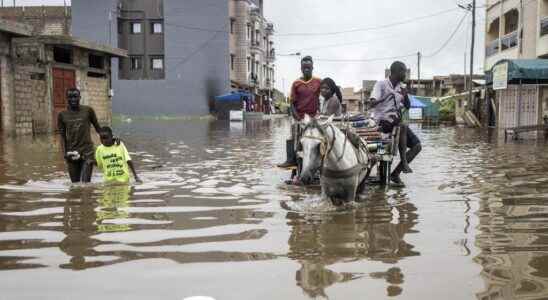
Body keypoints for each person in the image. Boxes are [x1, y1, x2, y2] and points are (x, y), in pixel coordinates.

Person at [369, 61, 421, 186]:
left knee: (417, 146)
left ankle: (395, 174)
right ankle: (403, 162)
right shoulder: (381, 84)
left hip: (395, 122)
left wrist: (405, 94)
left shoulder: (401, 87)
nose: (405, 73)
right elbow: (372, 103)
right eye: (403, 71)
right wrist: (386, 96)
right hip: (382, 122)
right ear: (396, 72)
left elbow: (407, 106)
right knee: (402, 126)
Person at [277, 56, 322, 169]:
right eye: (304, 67)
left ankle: (321, 160)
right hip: (299, 116)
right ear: (301, 68)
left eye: (308, 67)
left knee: (318, 138)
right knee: (291, 136)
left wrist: (319, 114)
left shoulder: (318, 82)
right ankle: (291, 160)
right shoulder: (296, 83)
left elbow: (321, 99)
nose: (306, 69)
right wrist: (297, 117)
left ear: (312, 67)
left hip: (313, 118)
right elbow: (292, 103)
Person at [58, 88, 101, 183]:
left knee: (85, 184)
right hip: (71, 153)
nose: (73, 99)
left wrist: (112, 140)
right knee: (75, 185)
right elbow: (62, 136)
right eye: (70, 97)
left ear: (80, 97)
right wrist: (64, 153)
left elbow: (98, 129)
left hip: (87, 152)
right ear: (66, 98)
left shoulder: (88, 111)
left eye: (75, 97)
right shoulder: (62, 115)